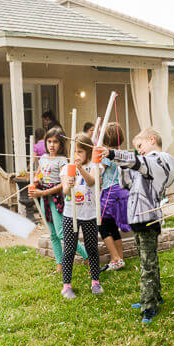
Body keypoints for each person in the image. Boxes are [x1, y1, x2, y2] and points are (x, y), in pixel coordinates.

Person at [94, 127, 174, 325]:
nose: (139, 150)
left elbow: (140, 162)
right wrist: (119, 164)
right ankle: (154, 297)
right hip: (138, 219)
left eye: (140, 145)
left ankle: (149, 306)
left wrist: (113, 153)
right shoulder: (145, 163)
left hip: (148, 218)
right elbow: (128, 183)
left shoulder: (161, 159)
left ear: (151, 139)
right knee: (148, 261)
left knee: (148, 265)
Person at [29, 128, 89, 274]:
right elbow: (39, 175)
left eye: (55, 142)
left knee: (62, 233)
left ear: (61, 143)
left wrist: (42, 192)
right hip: (44, 199)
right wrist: (34, 183)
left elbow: (63, 185)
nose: (52, 145)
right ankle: (59, 266)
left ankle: (88, 257)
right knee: (53, 234)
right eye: (49, 141)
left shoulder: (62, 160)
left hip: (56, 199)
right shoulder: (42, 158)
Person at [59, 134, 103, 298]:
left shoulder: (95, 166)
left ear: (88, 151)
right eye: (74, 151)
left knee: (92, 248)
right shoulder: (66, 168)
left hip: (89, 214)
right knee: (69, 249)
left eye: (81, 151)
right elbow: (64, 190)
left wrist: (80, 169)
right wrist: (68, 185)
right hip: (71, 214)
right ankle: (66, 285)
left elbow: (92, 181)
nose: (77, 155)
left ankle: (95, 282)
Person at [99, 123, 131, 272]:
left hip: (110, 193)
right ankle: (120, 258)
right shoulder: (122, 153)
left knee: (103, 225)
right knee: (113, 226)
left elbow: (99, 173)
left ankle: (116, 258)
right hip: (122, 192)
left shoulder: (107, 155)